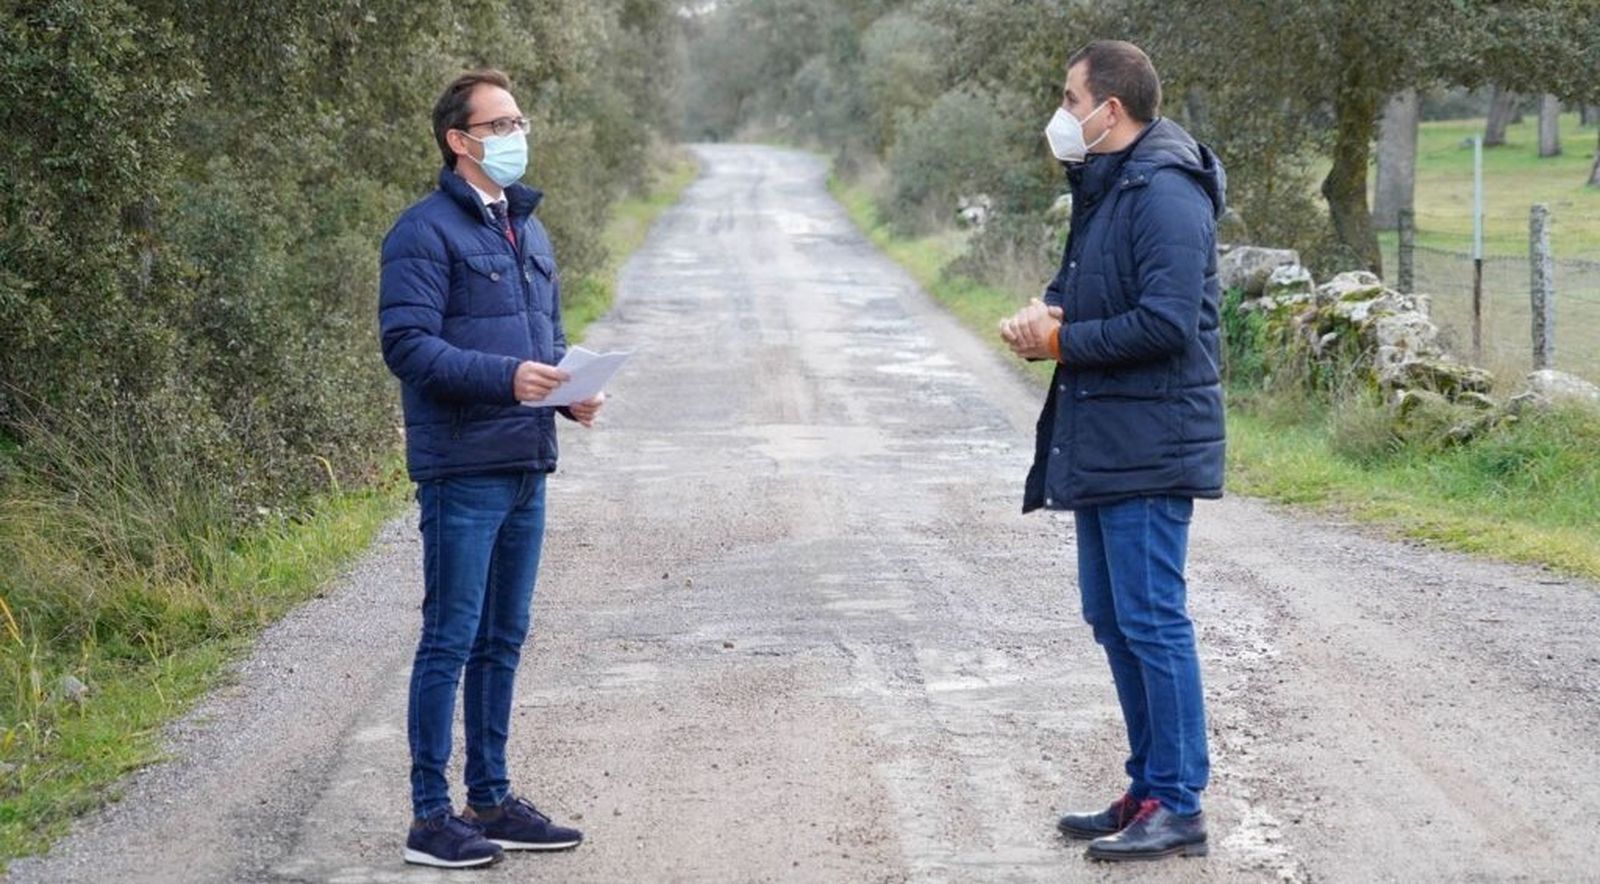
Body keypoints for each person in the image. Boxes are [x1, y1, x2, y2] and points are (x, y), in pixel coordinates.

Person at [999, 39, 1226, 862]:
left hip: (1151, 442)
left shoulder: (1166, 191)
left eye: (1069, 98)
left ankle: (1180, 802)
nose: (1062, 114)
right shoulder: (1108, 184)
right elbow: (1083, 294)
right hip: (1106, 437)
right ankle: (1147, 785)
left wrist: (1064, 344)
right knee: (1113, 618)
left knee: (1154, 621)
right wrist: (1043, 316)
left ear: (1111, 108)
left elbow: (1168, 323)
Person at [378, 68, 602, 869]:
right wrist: (506, 380)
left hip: (524, 460)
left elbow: (543, 343)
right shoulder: (422, 233)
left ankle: (492, 799)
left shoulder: (528, 231)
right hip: (461, 469)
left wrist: (568, 394)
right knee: (451, 638)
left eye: (519, 121)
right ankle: (431, 818)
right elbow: (406, 346)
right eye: (500, 125)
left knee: (503, 638)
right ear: (459, 140)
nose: (516, 136)